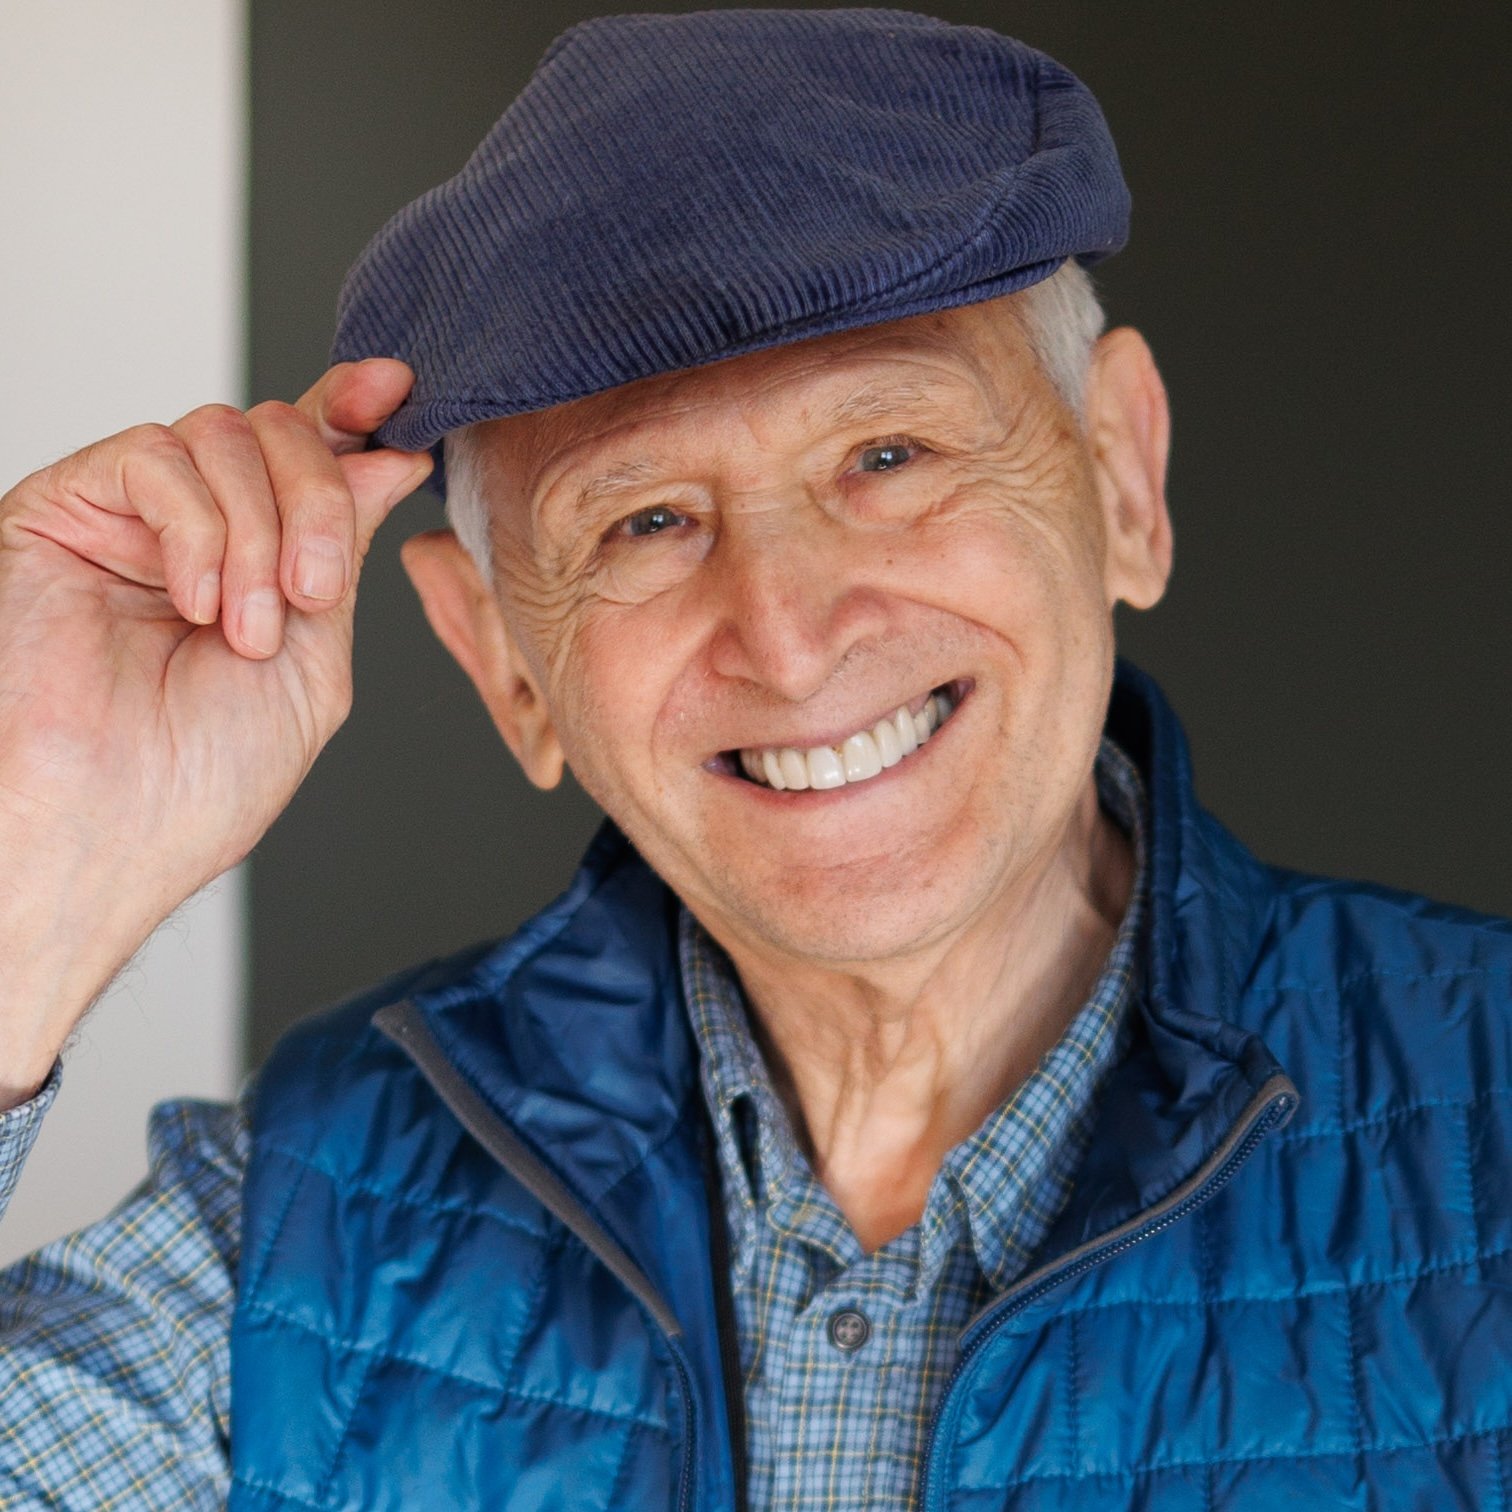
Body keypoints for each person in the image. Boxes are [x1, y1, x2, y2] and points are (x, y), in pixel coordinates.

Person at [0, 8, 1506, 1509]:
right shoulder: (294, 1219)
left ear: (1120, 479)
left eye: (889, 456)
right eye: (644, 521)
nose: (786, 638)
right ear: (503, 662)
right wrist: (23, 868)